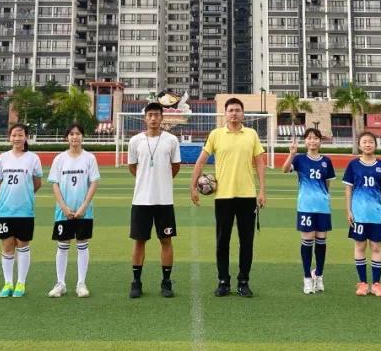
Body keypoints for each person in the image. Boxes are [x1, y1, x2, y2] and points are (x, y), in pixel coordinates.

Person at [190, 97, 267, 298]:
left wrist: (262, 190)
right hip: (223, 197)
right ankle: (223, 281)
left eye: (237, 110)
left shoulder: (251, 134)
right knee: (222, 241)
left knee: (246, 241)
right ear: (225, 113)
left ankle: (244, 281)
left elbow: (260, 162)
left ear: (243, 113)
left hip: (247, 196)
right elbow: (200, 161)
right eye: (231, 110)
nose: (234, 113)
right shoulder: (216, 135)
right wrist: (193, 186)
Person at [127, 101, 181, 299]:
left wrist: (161, 181)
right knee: (139, 241)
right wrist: (146, 181)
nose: (153, 118)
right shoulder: (135, 141)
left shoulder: (171, 141)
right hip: (141, 200)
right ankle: (136, 281)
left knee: (166, 240)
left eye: (157, 115)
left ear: (162, 118)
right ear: (145, 118)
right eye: (150, 115)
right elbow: (133, 167)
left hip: (164, 200)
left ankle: (166, 282)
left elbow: (175, 167)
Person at [47, 123, 101, 299]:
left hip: (84, 211)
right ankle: (60, 283)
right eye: (71, 134)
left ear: (82, 137)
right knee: (62, 246)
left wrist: (84, 206)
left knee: (82, 244)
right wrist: (63, 206)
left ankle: (81, 283)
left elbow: (94, 182)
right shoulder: (59, 159)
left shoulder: (89, 158)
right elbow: (54, 183)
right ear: (66, 137)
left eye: (78, 134)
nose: (74, 137)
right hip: (63, 211)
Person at [282, 127, 335, 294]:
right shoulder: (299, 159)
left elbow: (327, 184)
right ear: (305, 141)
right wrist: (291, 153)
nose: (312, 141)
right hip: (305, 206)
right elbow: (284, 169)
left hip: (322, 207)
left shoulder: (326, 161)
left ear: (320, 141)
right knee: (307, 239)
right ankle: (306, 278)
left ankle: (318, 275)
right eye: (309, 138)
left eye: (315, 138)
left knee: (321, 240)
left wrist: (325, 199)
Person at [0, 123, 43, 298]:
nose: (17, 138)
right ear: (9, 137)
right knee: (7, 246)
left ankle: (21, 283)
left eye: (20, 135)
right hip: (5, 210)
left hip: (25, 210)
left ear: (26, 137)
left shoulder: (33, 158)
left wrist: (26, 195)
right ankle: (8, 283)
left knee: (23, 245)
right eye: (14, 135)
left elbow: (37, 182)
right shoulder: (2, 158)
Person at [342, 131, 381, 297]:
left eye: (371, 141)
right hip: (359, 214)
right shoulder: (353, 165)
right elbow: (348, 189)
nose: (368, 144)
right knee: (360, 246)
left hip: (376, 214)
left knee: (376, 247)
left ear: (375, 145)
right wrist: (348, 210)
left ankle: (376, 284)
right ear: (359, 145)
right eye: (364, 142)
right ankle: (362, 283)